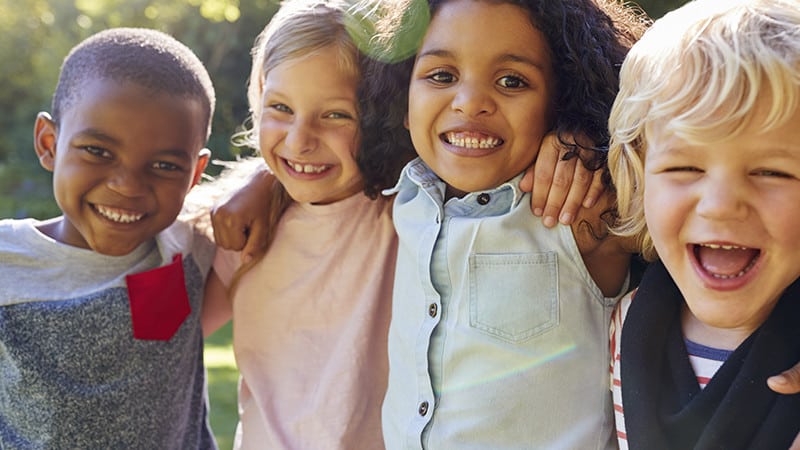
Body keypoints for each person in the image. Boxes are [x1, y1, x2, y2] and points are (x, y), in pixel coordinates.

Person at [372, 0, 646, 448]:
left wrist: (593, 141)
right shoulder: (407, 197)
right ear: (404, 99)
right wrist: (258, 184)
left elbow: (695, 196)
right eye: (441, 76)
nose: (470, 102)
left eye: (512, 81)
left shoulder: (583, 204)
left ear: (562, 99)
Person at [199, 1, 418, 448]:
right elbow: (160, 338)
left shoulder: (410, 209)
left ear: (381, 118)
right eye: (280, 107)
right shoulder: (241, 225)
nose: (299, 141)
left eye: (336, 114)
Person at [0, 28, 217, 449]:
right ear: (49, 144)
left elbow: (280, 181)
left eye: (164, 165)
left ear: (195, 174)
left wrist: (257, 188)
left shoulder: (189, 243)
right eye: (98, 151)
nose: (127, 186)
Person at [607, 0, 800, 448]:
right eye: (685, 168)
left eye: (771, 172)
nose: (719, 206)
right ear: (639, 174)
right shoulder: (623, 324)